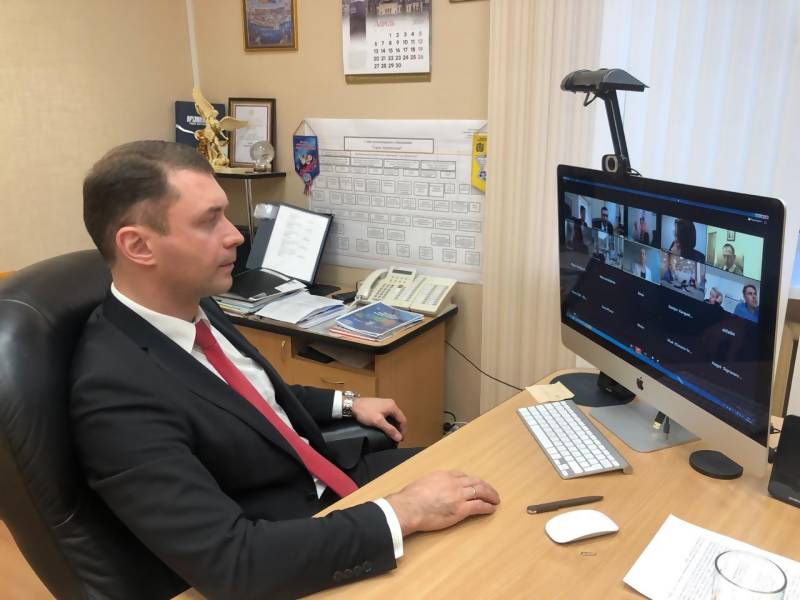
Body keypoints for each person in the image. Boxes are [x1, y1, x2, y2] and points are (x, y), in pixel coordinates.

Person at [70, 141, 500, 599]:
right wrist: (404, 511)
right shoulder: (114, 393)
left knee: (487, 473)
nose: (236, 236)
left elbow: (245, 396)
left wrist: (346, 402)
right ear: (138, 245)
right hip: (286, 537)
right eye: (209, 221)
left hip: (326, 476)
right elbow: (233, 564)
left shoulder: (194, 304)